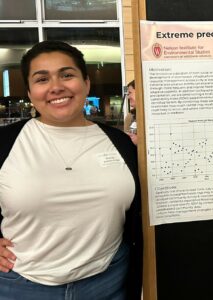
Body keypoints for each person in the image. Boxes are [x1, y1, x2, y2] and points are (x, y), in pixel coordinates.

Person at [0, 41, 142, 300]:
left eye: (67, 74)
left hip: (108, 282)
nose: (56, 86)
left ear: (86, 83)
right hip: (21, 285)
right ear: (30, 92)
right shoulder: (5, 142)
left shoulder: (120, 143)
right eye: (42, 79)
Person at [124, 80, 138, 145]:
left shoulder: (154, 115)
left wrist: (140, 142)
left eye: (130, 93)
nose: (128, 97)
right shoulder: (130, 117)